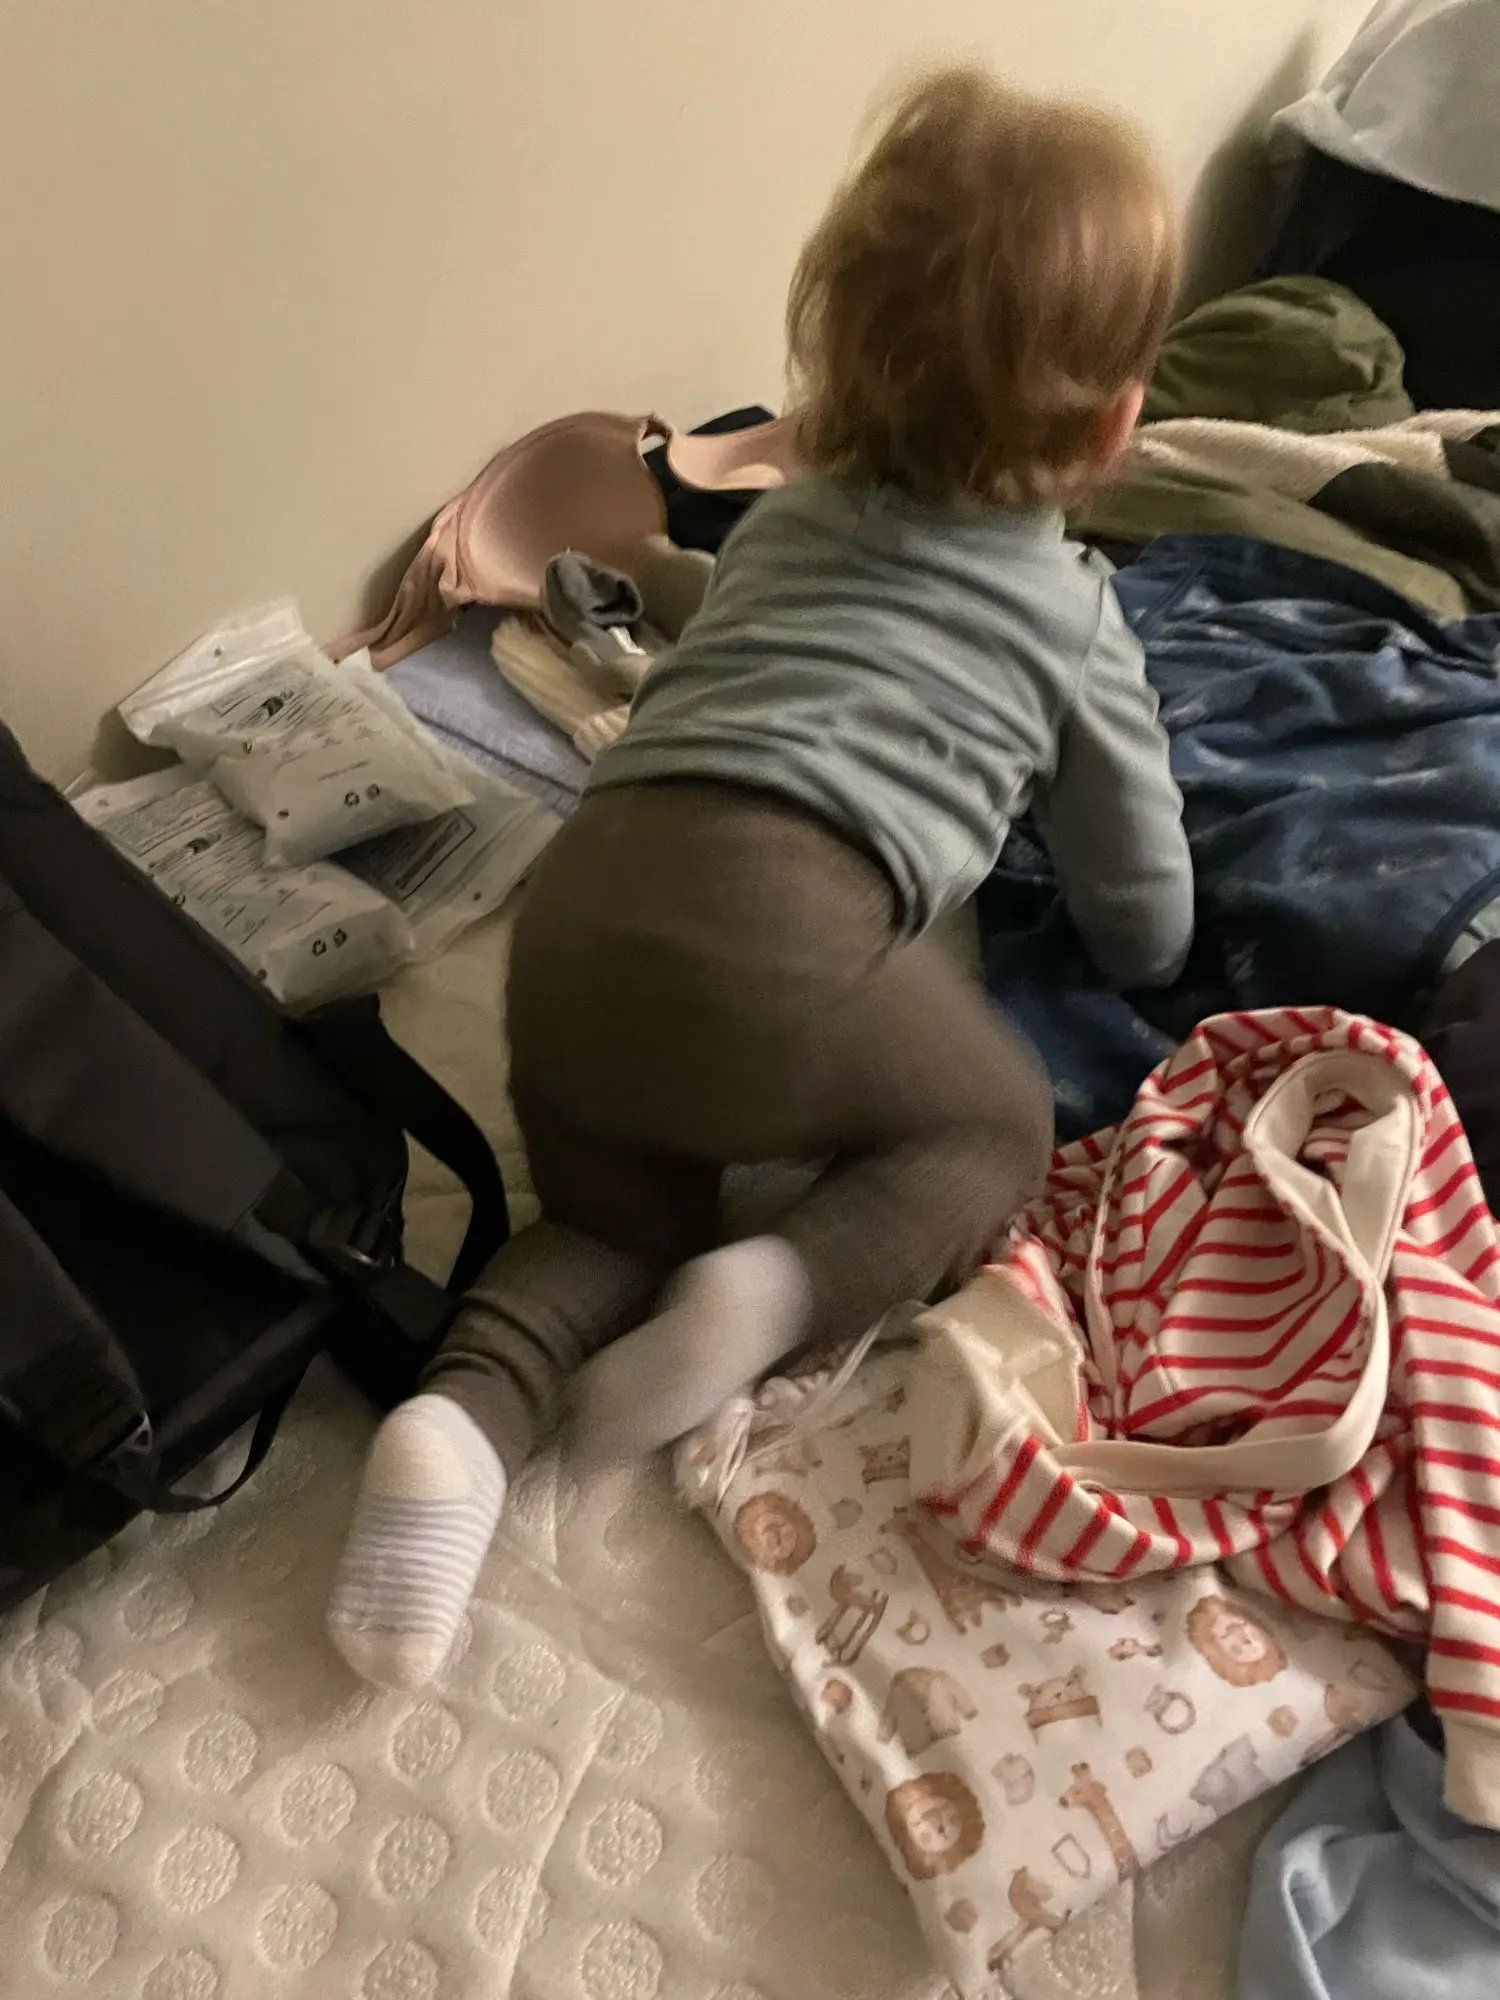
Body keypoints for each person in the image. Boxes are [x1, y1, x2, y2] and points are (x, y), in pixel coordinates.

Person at [328, 63, 1193, 1689]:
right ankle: (768, 1295)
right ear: (1111, 425)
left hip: (584, 917)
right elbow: (1145, 914)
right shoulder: (1075, 617)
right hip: (787, 941)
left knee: (609, 1213)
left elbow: (716, 647)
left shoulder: (781, 530)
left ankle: (461, 1421)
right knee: (993, 1123)